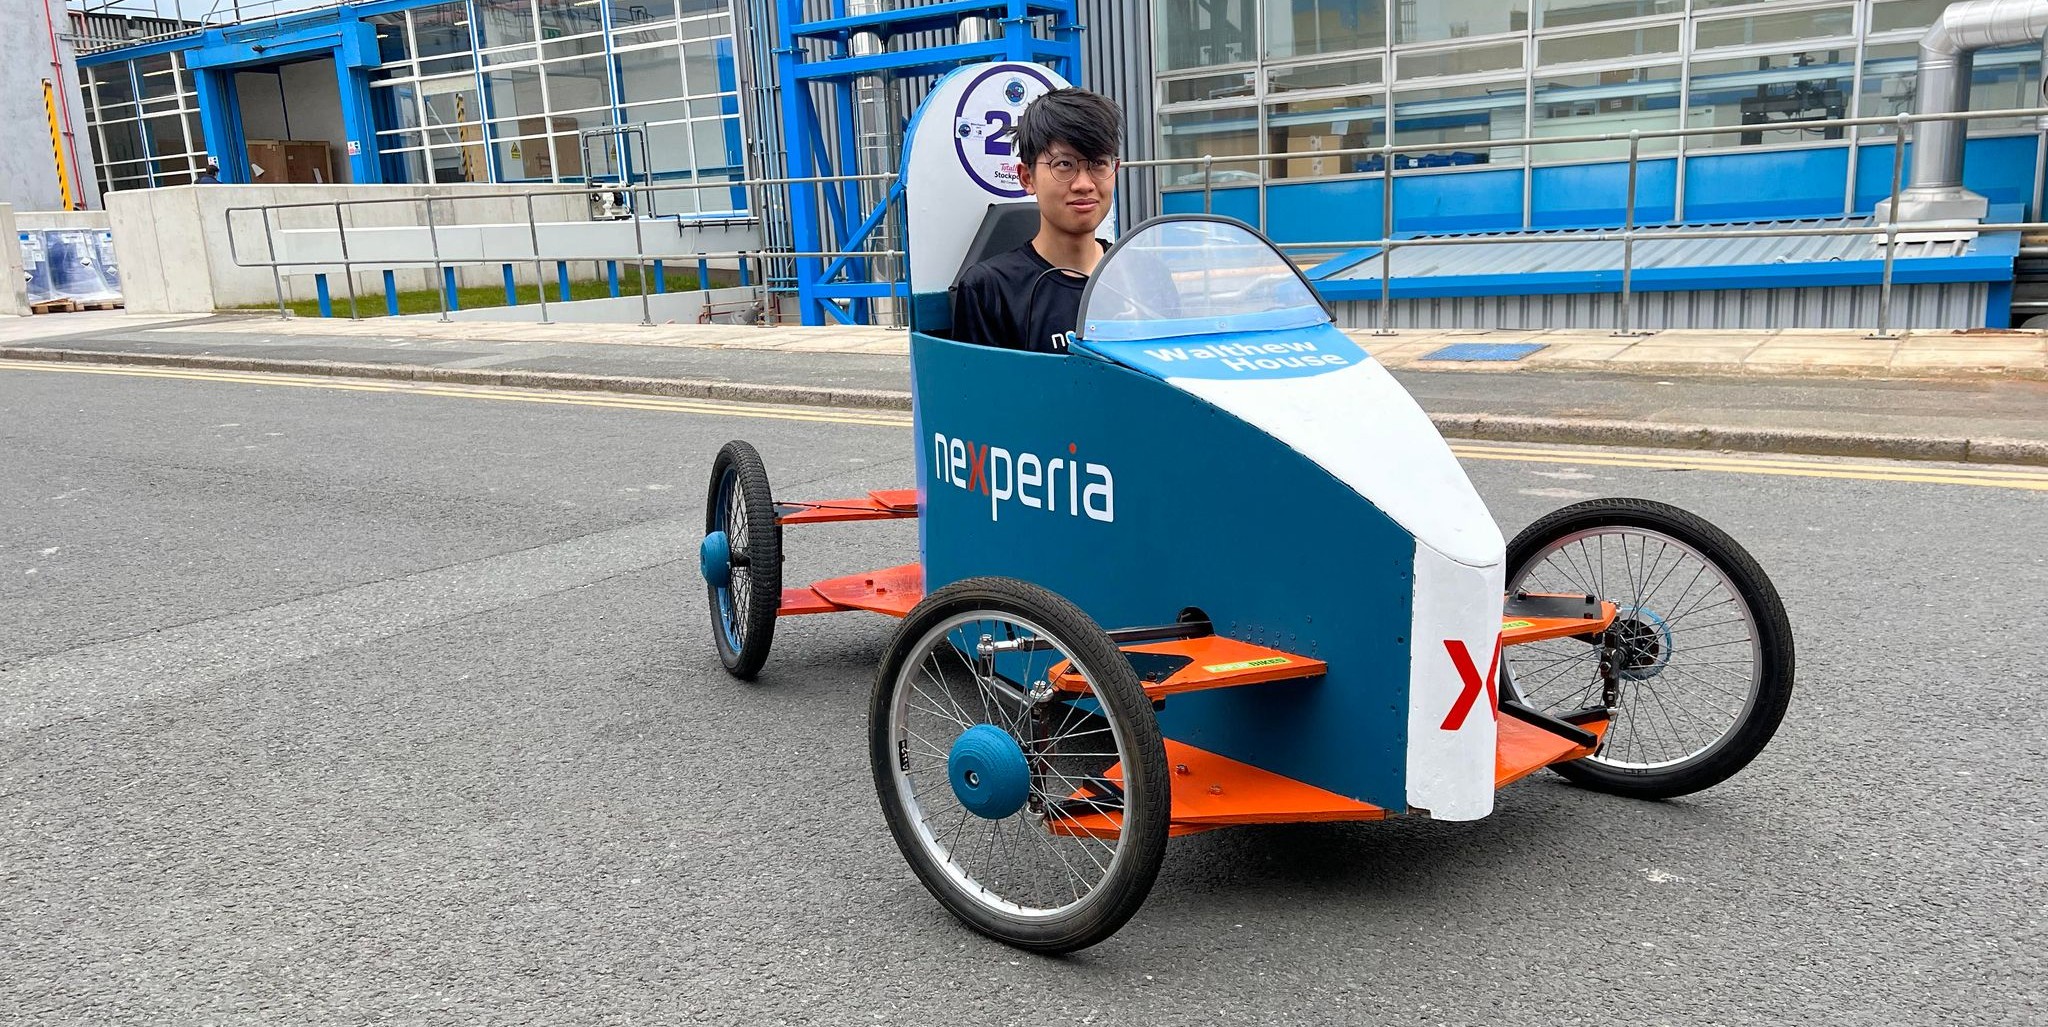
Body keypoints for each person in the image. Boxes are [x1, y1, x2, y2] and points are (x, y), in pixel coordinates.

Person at [951, 87, 1121, 353]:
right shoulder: (990, 290)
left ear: (1115, 170)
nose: (1084, 184)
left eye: (1098, 163)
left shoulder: (1141, 276)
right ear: (1027, 178)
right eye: (1064, 164)